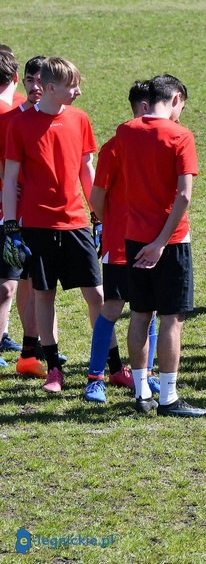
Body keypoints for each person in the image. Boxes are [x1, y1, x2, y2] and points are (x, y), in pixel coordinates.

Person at [2, 57, 103, 393]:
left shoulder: (80, 119)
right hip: (38, 226)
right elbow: (10, 178)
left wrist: (99, 215)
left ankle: (108, 363)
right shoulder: (20, 125)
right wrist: (11, 225)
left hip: (76, 222)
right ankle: (54, 368)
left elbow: (87, 170)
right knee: (43, 296)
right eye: (72, 85)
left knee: (97, 294)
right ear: (49, 88)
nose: (78, 91)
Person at [113, 74, 206, 416]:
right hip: (172, 240)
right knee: (171, 318)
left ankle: (142, 394)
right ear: (176, 98)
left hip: (133, 237)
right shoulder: (181, 135)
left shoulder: (125, 131)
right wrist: (161, 243)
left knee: (140, 315)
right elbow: (184, 196)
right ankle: (168, 397)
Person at [84, 80, 160, 403]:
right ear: (144, 108)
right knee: (112, 307)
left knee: (149, 309)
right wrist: (114, 226)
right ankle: (95, 378)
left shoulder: (161, 144)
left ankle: (147, 374)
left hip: (151, 243)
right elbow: (96, 199)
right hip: (119, 245)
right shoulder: (114, 148)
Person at [3, 56, 43, 374]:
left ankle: (34, 343)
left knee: (31, 283)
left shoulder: (59, 119)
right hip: (12, 214)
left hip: (43, 214)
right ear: (22, 79)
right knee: (9, 283)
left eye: (41, 81)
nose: (35, 86)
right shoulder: (10, 118)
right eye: (30, 79)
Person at [0, 47, 26, 366]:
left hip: (10, 207)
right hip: (14, 206)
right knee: (8, 280)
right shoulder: (21, 109)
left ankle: (3, 333)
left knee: (8, 279)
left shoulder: (20, 108)